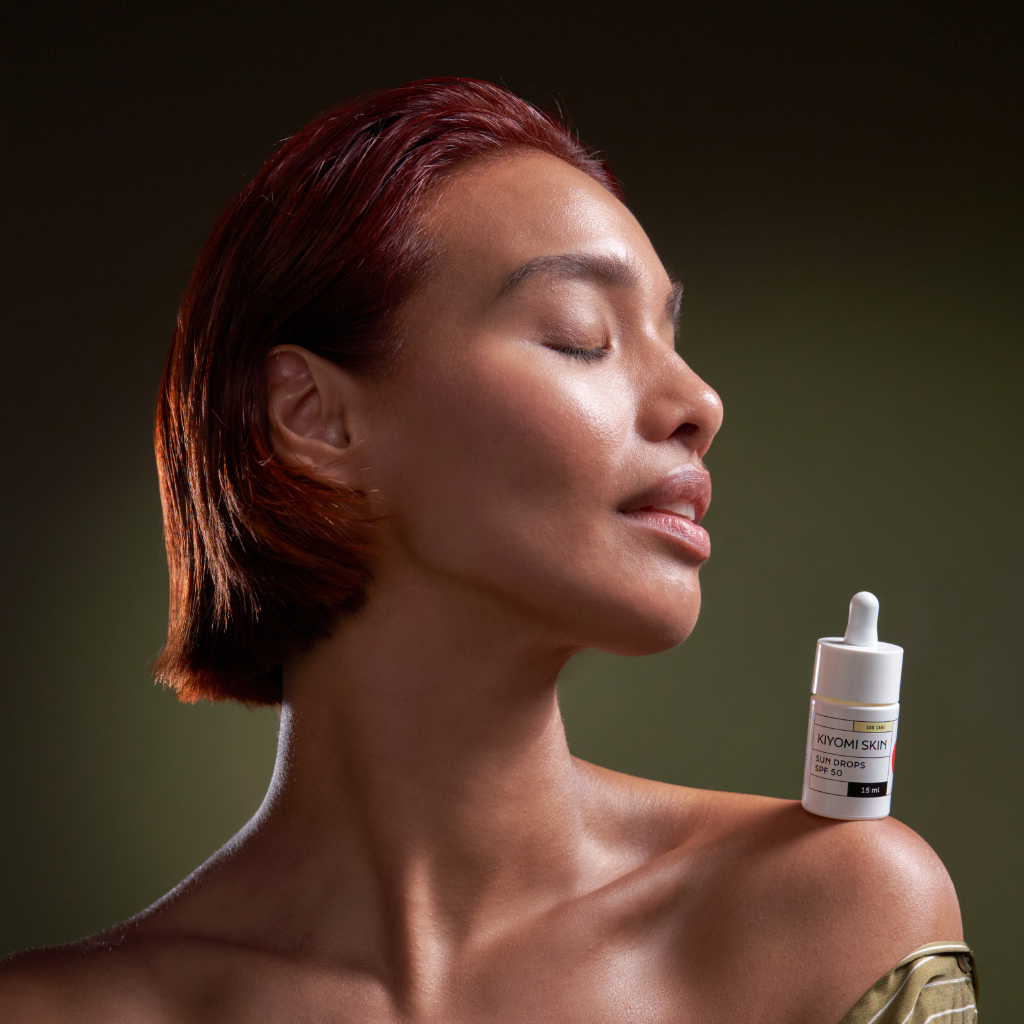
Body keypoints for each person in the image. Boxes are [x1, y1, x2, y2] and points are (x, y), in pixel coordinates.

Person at [0, 78, 975, 1023]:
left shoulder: (830, 909)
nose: (699, 404)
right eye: (579, 335)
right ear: (315, 416)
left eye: (672, 340)